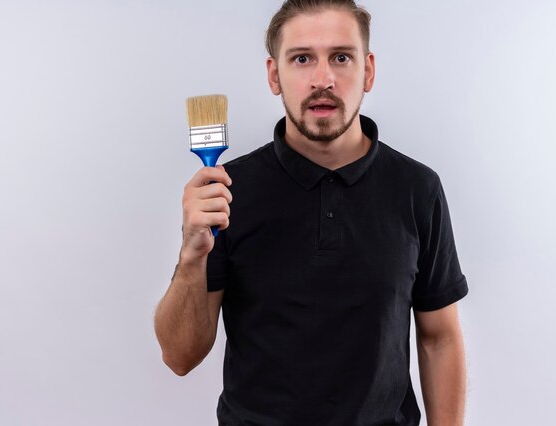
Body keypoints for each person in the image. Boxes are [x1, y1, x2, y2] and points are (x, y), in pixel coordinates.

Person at [155, 1, 469, 424]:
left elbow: (439, 339)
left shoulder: (417, 189)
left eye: (341, 57)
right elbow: (179, 357)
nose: (324, 79)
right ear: (274, 75)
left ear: (368, 70)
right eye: (302, 59)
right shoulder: (227, 192)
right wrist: (192, 255)